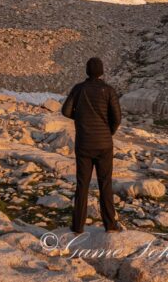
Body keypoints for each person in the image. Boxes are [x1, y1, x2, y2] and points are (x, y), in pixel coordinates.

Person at [61, 57, 122, 233]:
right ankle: (110, 225)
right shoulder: (108, 90)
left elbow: (65, 111)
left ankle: (78, 226)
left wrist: (81, 119)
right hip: (104, 145)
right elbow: (117, 118)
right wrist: (108, 131)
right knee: (105, 184)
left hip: (84, 144)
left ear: (87, 71)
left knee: (82, 185)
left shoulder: (79, 89)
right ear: (101, 71)